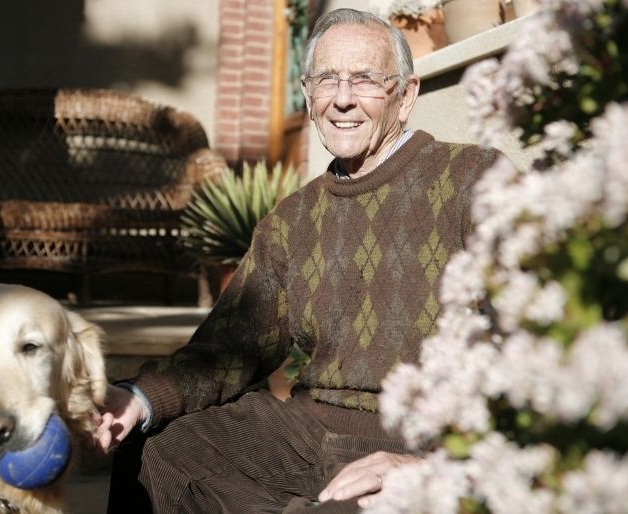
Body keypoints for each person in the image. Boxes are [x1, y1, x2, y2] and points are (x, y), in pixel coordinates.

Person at [94, 8, 503, 513]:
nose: (343, 99)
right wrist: (139, 397)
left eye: (366, 80)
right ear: (308, 96)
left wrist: (442, 466)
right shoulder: (293, 219)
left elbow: (542, 339)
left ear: (406, 95)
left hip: (431, 438)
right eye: (327, 80)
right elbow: (225, 349)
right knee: (155, 449)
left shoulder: (472, 178)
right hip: (309, 430)